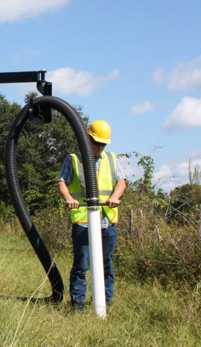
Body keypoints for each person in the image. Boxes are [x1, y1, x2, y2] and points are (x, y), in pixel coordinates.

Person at [57, 120, 127, 311]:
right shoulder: (73, 159)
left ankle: (105, 302)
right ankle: (78, 305)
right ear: (87, 139)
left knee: (106, 264)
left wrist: (115, 196)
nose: (100, 147)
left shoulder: (111, 159)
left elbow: (121, 182)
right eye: (96, 143)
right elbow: (62, 182)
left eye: (103, 144)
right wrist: (69, 198)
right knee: (81, 265)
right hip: (83, 220)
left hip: (106, 219)